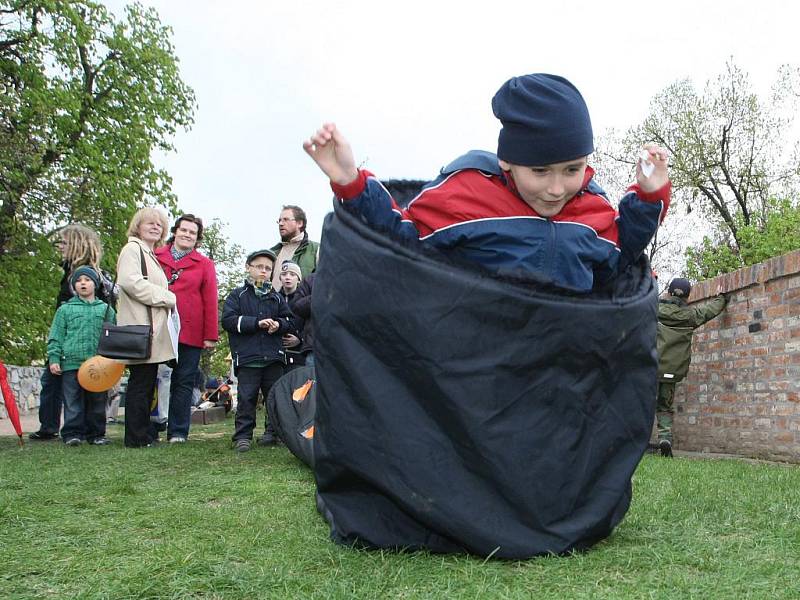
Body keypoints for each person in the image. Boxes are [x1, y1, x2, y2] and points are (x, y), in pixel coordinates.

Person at [303, 73, 671, 291]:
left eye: (572, 170)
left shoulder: (592, 206)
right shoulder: (465, 194)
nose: (557, 188)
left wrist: (649, 197)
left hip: (561, 379)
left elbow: (619, 259)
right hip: (476, 378)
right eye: (540, 171)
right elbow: (403, 240)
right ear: (507, 161)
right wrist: (351, 182)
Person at [30, 223, 116, 441]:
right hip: (69, 347)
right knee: (67, 391)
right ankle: (68, 430)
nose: (60, 246)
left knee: (69, 388)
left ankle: (66, 428)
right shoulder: (72, 273)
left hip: (86, 349)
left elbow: (106, 319)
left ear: (78, 244)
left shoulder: (83, 276)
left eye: (65, 242)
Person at [221, 249, 297, 452]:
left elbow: (290, 321)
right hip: (248, 358)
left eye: (268, 268)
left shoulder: (277, 298)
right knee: (247, 398)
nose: (264, 271)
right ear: (248, 268)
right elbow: (228, 321)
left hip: (274, 357)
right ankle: (243, 436)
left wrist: (278, 326)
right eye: (259, 267)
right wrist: (256, 323)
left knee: (274, 398)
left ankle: (274, 433)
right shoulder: (237, 296)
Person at [116, 207, 177, 448]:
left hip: (151, 328)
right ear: (138, 226)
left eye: (159, 225)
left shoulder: (150, 254)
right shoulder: (132, 250)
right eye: (149, 223)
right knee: (141, 384)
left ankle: (143, 431)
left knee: (147, 381)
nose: (155, 227)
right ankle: (136, 436)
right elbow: (130, 282)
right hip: (140, 327)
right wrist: (167, 297)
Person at [155, 214, 219, 443]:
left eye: (192, 232)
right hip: (157, 328)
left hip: (189, 331)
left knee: (183, 380)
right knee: (152, 377)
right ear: (175, 231)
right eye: (184, 230)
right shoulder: (155, 255)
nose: (187, 235)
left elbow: (210, 300)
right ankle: (149, 426)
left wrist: (210, 335)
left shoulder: (204, 264)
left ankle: (178, 431)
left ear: (197, 238)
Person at [656, 277, 729, 457]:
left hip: (648, 368)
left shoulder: (653, 310)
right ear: (687, 297)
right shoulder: (690, 316)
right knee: (664, 406)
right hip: (671, 371)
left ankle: (635, 440)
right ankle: (664, 437)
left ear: (669, 293)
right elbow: (709, 310)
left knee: (640, 404)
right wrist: (722, 298)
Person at [47, 266, 116, 446]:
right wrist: (54, 359)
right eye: (78, 281)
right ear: (73, 286)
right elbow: (56, 335)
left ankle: (96, 434)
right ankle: (72, 433)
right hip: (71, 364)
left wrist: (113, 361)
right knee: (72, 401)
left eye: (87, 280)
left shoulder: (106, 310)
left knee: (97, 401)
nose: (83, 283)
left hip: (98, 365)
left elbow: (114, 338)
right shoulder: (65, 310)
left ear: (96, 284)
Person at [270, 206, 320, 290]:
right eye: (279, 220)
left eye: (285, 219)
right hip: (274, 303)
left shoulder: (317, 250)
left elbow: (326, 283)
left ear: (300, 223)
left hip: (304, 302)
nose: (281, 224)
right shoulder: (272, 253)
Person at [278, 261, 304, 368]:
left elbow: (312, 324)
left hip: (299, 355)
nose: (287, 277)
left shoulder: (305, 299)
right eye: (284, 274)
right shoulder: (274, 298)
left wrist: (300, 339)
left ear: (298, 278)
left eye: (292, 274)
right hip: (277, 356)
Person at [289, 272, 316, 368]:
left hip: (343, 346)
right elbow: (297, 307)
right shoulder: (310, 280)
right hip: (314, 347)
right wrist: (319, 294)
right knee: (311, 381)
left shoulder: (346, 278)